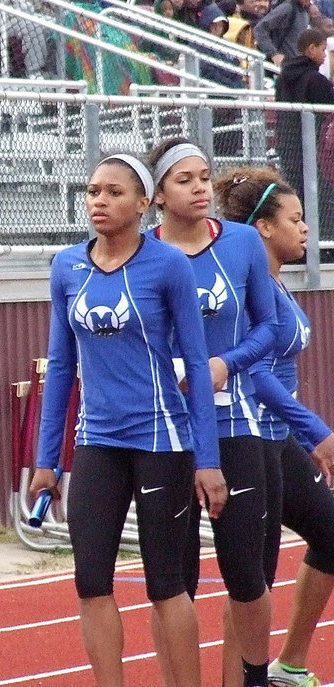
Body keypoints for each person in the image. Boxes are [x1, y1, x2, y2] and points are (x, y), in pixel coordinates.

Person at [29, 154, 226, 687]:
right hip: (97, 441)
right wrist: (46, 461)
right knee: (91, 579)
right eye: (93, 191)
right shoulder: (66, 266)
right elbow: (62, 367)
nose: (100, 201)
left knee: (166, 584)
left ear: (144, 203)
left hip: (162, 439)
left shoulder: (168, 266)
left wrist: (207, 460)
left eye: (114, 192)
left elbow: (200, 368)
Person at [146, 138, 278, 687]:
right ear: (156, 195)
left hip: (232, 424)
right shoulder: (142, 252)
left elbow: (269, 328)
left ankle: (252, 676)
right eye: (184, 179)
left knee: (246, 571)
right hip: (167, 429)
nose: (200, 187)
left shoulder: (243, 242)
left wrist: (223, 363)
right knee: (174, 580)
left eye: (205, 176)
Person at [215, 166, 334, 687]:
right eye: (296, 218)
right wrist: (316, 431)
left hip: (277, 435)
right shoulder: (245, 285)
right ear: (263, 227)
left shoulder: (276, 283)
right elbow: (255, 373)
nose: (306, 229)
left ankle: (288, 663)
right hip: (247, 434)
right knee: (250, 579)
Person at [275, 29, 334, 232]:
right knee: (320, 199)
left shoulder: (282, 78)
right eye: (323, 50)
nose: (325, 56)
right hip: (314, 151)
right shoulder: (316, 80)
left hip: (288, 146)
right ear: (311, 49)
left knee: (295, 198)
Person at [254, 0, 311, 66]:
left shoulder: (305, 12)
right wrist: (274, 54)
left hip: (295, 65)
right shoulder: (287, 8)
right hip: (280, 67)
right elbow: (259, 29)